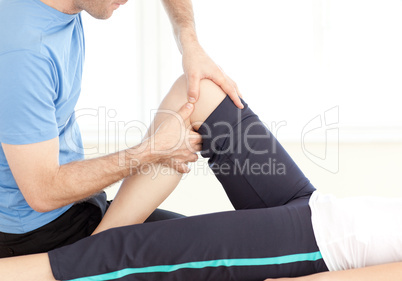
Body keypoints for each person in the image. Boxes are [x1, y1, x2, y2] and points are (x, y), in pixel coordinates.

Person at [1, 76, 402, 281]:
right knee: (203, 95)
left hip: (322, 251)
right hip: (319, 209)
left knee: (145, 254)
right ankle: (94, 254)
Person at [0, 0, 243, 257]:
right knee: (221, 256)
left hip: (78, 208)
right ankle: (88, 262)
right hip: (40, 236)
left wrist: (189, 41)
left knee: (219, 245)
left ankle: (98, 250)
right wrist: (154, 150)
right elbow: (43, 192)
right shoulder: (23, 53)